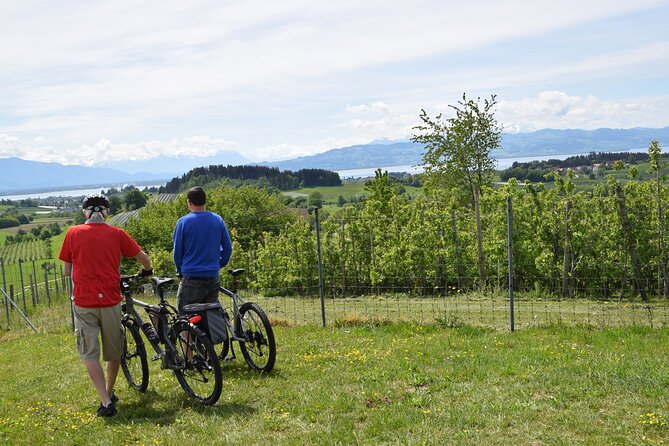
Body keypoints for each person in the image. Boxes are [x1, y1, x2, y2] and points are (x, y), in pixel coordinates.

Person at [59, 194, 152, 417]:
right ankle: (109, 392)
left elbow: (66, 271)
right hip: (111, 300)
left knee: (89, 353)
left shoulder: (73, 233)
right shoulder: (117, 233)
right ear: (107, 213)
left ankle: (105, 401)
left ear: (85, 213)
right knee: (114, 351)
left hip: (84, 301)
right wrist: (147, 272)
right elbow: (144, 258)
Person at [173, 186, 232, 313]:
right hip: (212, 276)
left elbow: (178, 253)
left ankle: (185, 334)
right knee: (210, 317)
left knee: (185, 317)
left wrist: (179, 270)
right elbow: (227, 248)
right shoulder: (218, 220)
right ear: (205, 201)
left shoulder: (183, 223)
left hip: (191, 277)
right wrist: (219, 264)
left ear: (189, 202)